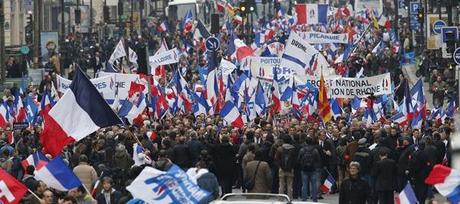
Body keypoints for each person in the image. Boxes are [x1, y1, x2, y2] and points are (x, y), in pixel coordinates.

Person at [298, 136, 322, 202]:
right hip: (313, 169)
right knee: (314, 184)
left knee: (304, 184)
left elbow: (298, 159)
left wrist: (302, 165)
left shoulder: (302, 149)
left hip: (304, 169)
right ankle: (314, 198)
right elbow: (318, 159)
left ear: (305, 142)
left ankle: (304, 198)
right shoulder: (315, 150)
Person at [274, 134, 296, 199]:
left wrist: (280, 166)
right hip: (290, 169)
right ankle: (289, 198)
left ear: (283, 140)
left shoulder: (280, 149)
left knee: (281, 185)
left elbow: (276, 158)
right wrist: (292, 166)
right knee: (290, 185)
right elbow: (295, 159)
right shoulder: (293, 148)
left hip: (281, 169)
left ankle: (280, 198)